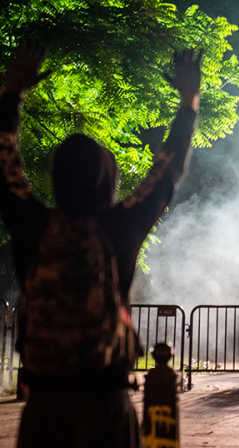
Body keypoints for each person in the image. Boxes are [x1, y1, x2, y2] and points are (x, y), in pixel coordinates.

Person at [1, 44, 202, 447]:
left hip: (45, 405)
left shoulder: (31, 225)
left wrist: (12, 93)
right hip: (105, 404)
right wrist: (188, 101)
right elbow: (166, 169)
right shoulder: (119, 227)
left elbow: (2, 161)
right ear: (107, 182)